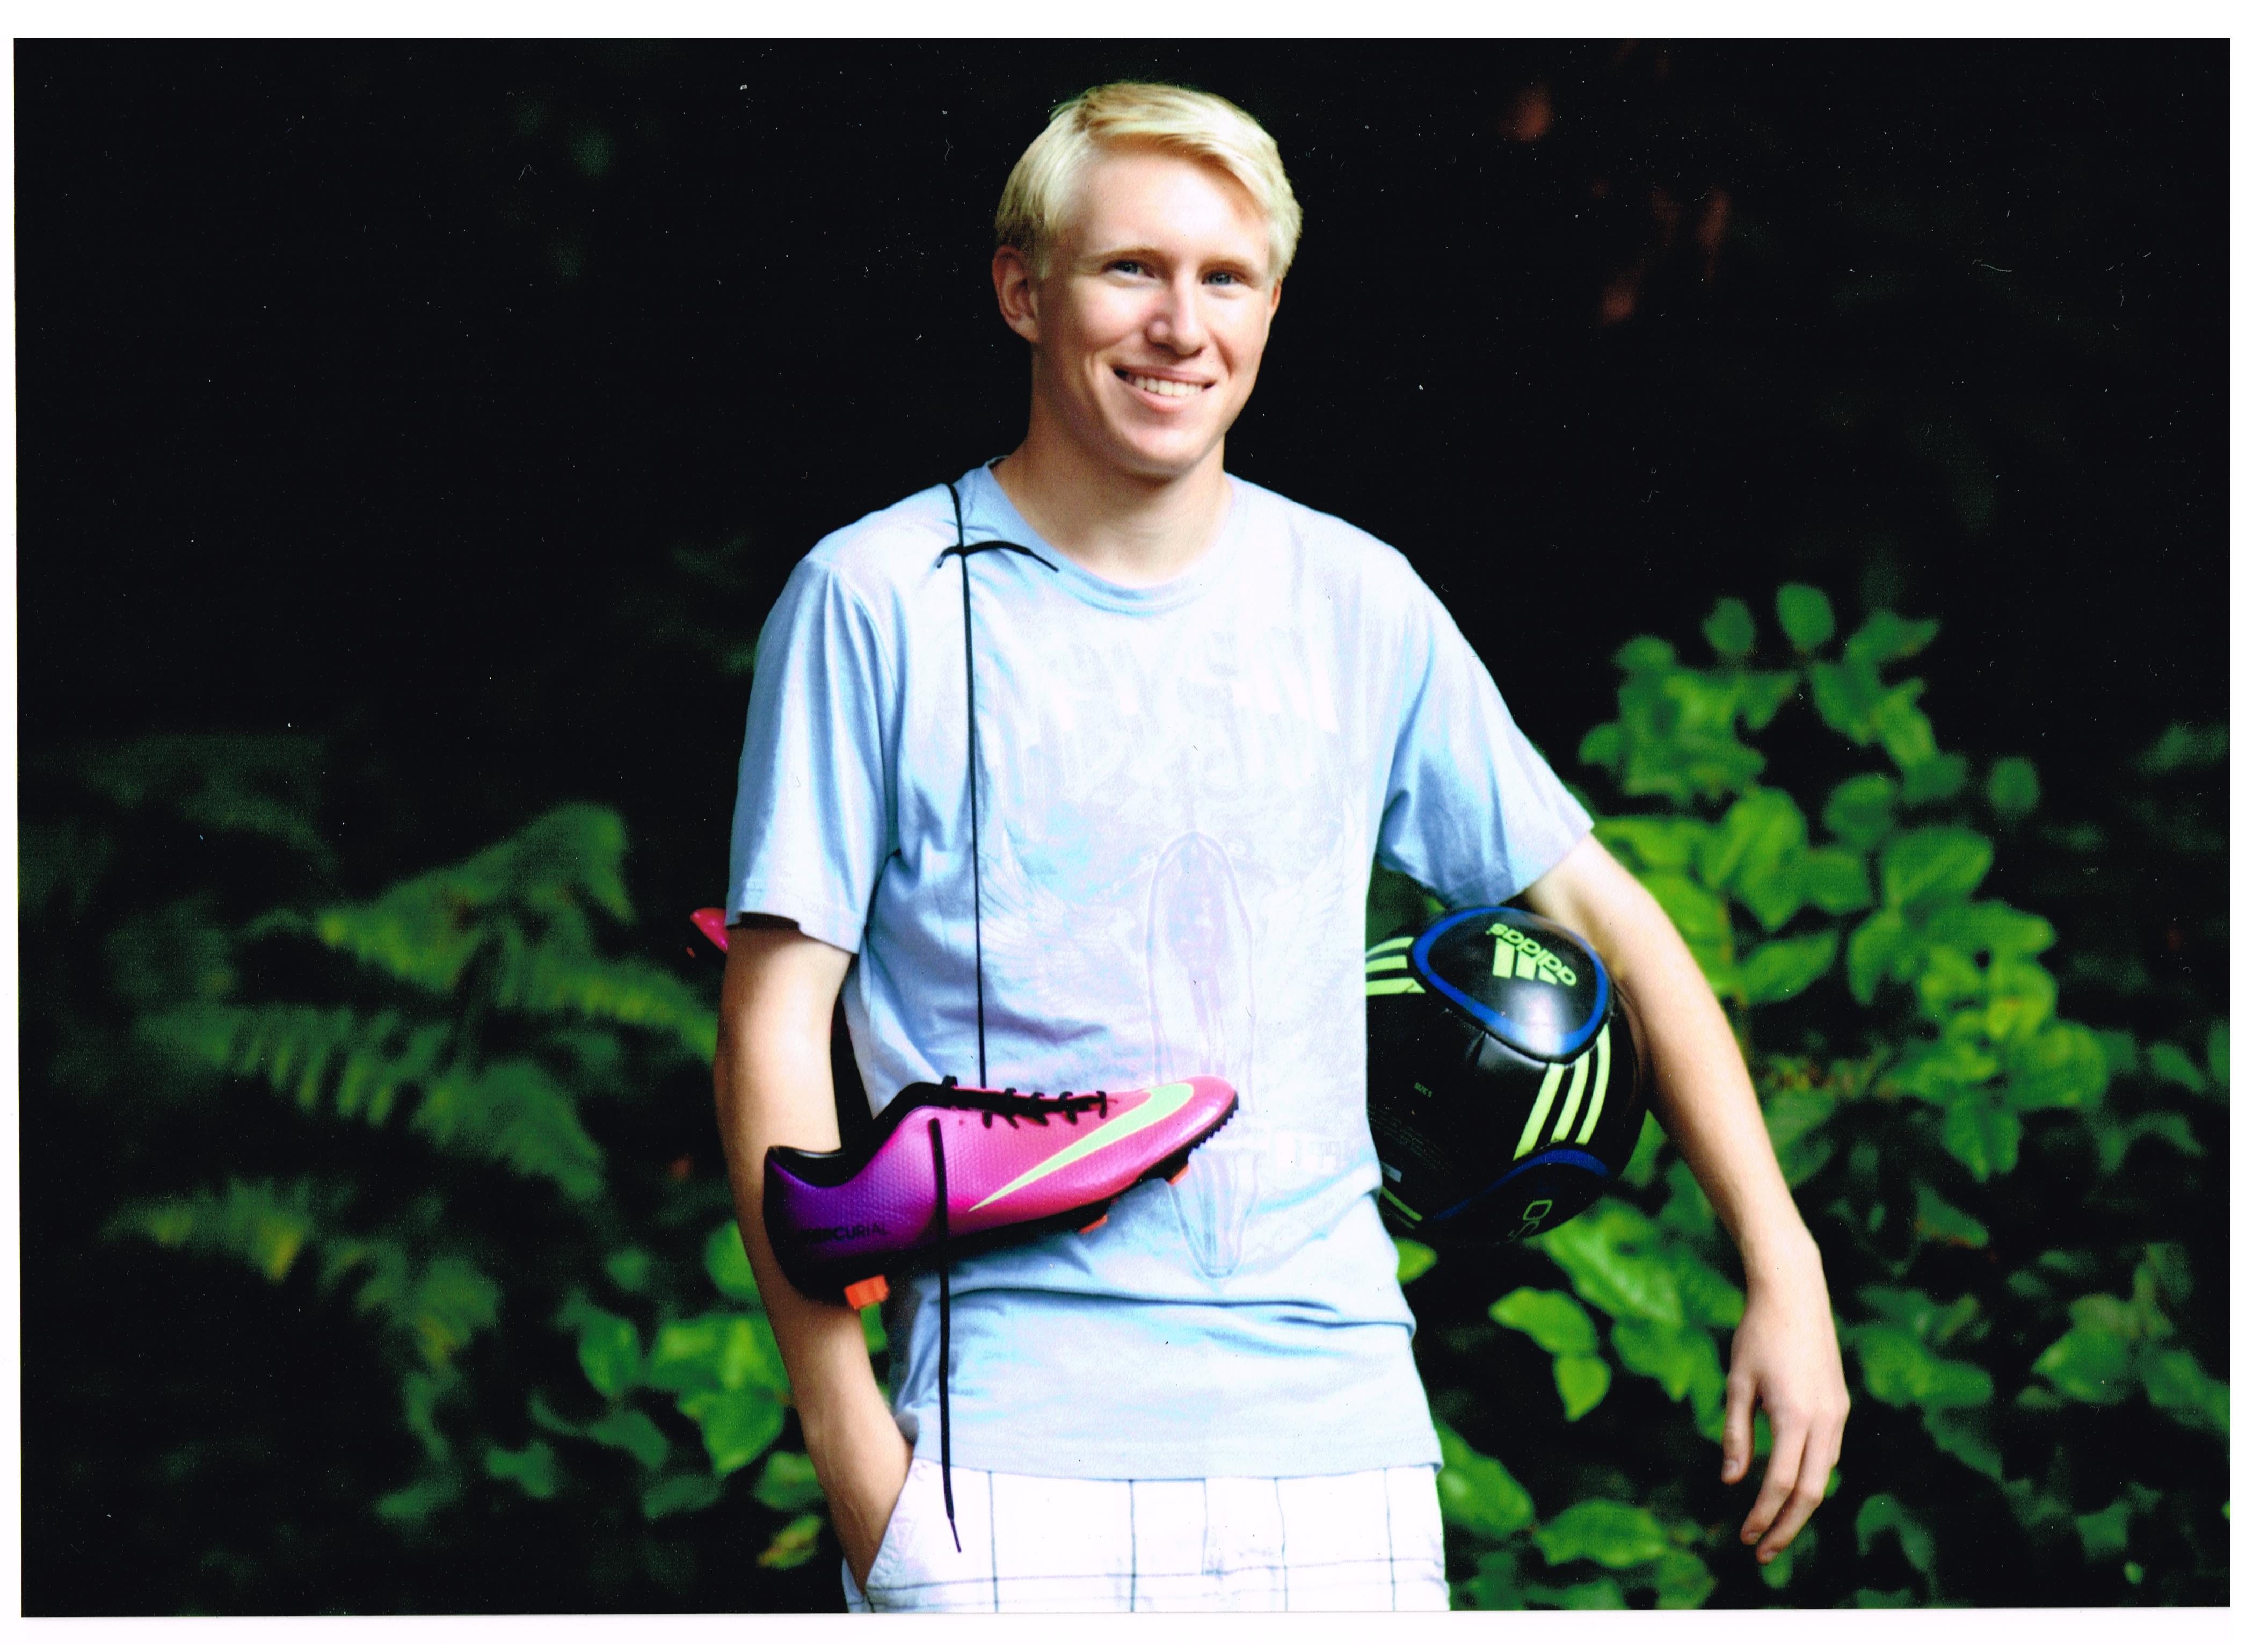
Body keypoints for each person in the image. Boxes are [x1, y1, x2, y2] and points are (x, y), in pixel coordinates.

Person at [711, 81, 1848, 1614]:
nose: (1180, 325)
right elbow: (772, 1024)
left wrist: (1783, 1265)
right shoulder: (879, 600)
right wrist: (859, 1464)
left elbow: (1605, 913)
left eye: (1225, 278)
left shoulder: (1357, 600)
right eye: (1130, 269)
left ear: (1270, 309)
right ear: (1023, 291)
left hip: (1342, 1464)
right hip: (1008, 1475)